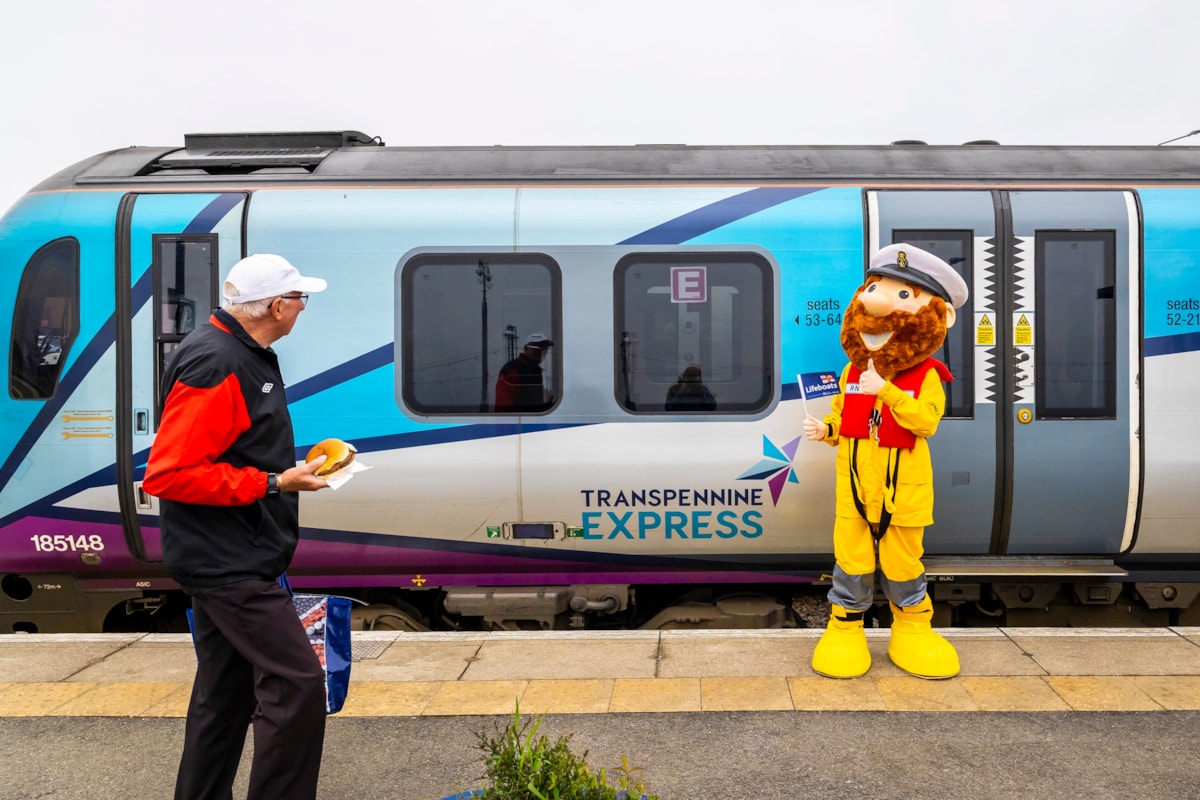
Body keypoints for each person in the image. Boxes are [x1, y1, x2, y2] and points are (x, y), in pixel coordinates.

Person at [142, 253, 333, 800]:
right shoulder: (218, 362)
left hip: (231, 552)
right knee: (298, 683)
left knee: (223, 695)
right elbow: (170, 473)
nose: (302, 308)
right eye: (300, 299)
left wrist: (285, 474)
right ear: (276, 306)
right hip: (229, 562)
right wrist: (275, 485)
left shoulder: (241, 350)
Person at [802, 243, 968, 680]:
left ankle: (912, 630)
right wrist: (826, 431)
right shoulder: (851, 373)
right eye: (874, 288)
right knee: (852, 561)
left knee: (902, 564)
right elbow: (843, 415)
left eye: (903, 296)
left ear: (939, 315)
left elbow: (926, 423)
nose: (873, 302)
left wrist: (887, 392)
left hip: (903, 494)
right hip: (855, 490)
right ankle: (845, 629)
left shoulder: (926, 377)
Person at [495, 332, 554, 412]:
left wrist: (546, 406)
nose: (540, 351)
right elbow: (503, 407)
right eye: (536, 348)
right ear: (526, 349)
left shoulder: (539, 372)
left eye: (544, 348)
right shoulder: (512, 370)